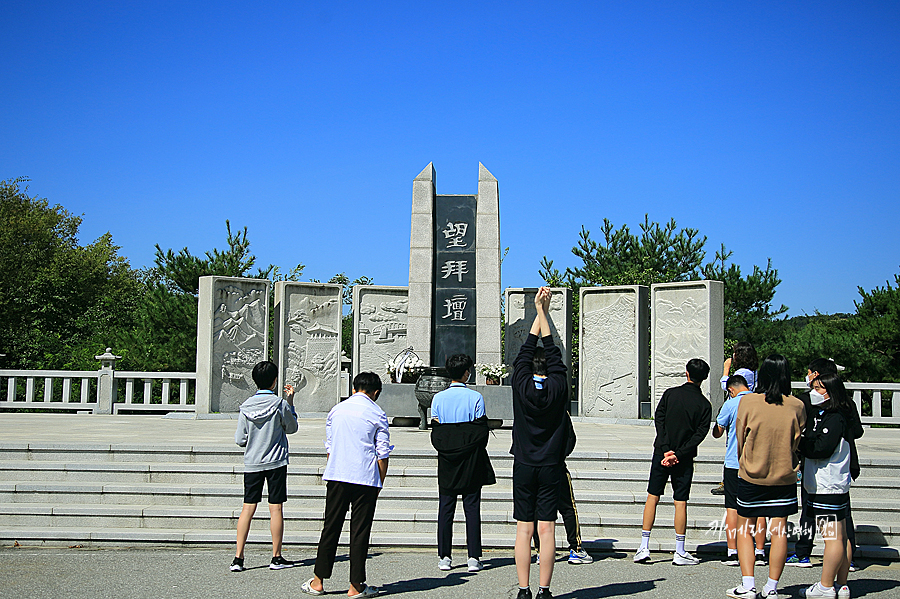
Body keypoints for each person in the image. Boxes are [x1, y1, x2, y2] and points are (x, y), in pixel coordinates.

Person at [301, 372, 392, 597]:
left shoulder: (337, 410)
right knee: (360, 532)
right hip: (365, 477)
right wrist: (379, 481)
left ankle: (318, 581)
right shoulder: (377, 413)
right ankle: (356, 585)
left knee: (330, 527)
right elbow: (382, 453)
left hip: (338, 474)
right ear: (376, 392)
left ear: (353, 389)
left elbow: (330, 446)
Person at [725, 354, 806, 599]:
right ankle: (771, 587)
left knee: (744, 528)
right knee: (779, 530)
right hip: (784, 476)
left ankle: (747, 584)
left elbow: (740, 439)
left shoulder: (748, 402)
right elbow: (798, 441)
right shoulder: (797, 405)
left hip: (751, 473)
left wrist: (745, 461)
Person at [510, 287, 569, 599]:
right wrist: (543, 312)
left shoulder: (520, 385)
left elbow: (524, 353)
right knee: (546, 529)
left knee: (524, 529)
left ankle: (523, 590)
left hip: (524, 463)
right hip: (550, 466)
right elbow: (554, 352)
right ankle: (545, 591)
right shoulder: (559, 386)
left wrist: (537, 311)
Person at [633, 358, 712, 566]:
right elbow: (699, 434)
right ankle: (679, 550)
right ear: (704, 378)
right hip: (683, 458)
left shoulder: (670, 394)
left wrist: (666, 448)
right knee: (680, 501)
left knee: (653, 496)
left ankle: (644, 545)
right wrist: (678, 453)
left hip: (661, 452)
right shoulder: (704, 404)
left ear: (686, 373)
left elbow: (659, 419)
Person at [787, 358, 863, 570]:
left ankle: (808, 557)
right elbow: (857, 430)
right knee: (841, 519)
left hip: (827, 472)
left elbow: (821, 446)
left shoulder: (827, 409)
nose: (811, 382)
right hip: (835, 470)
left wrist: (804, 443)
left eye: (812, 375)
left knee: (823, 522)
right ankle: (846, 564)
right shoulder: (847, 402)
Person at [430, 353, 495, 573]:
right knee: (472, 508)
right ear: (466, 372)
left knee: (446, 508)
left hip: (447, 459)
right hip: (471, 459)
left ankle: (444, 556)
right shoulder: (475, 398)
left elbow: (437, 430)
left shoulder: (438, 398)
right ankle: (474, 557)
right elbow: (480, 431)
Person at [231, 360, 299, 572]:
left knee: (247, 508)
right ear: (274, 380)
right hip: (276, 461)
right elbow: (292, 427)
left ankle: (238, 558)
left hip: (253, 462)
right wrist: (290, 402)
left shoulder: (246, 407)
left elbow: (240, 439)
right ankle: (276, 557)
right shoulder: (279, 404)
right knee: (276, 507)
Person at [798, 373, 855, 599]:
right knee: (841, 536)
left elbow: (821, 448)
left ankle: (825, 585)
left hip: (826, 485)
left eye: (819, 388)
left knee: (832, 537)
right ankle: (841, 584)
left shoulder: (834, 417)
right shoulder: (834, 414)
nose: (814, 392)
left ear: (831, 391)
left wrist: (800, 444)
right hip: (834, 485)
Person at [712, 374, 768, 567]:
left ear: (731, 390)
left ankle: (732, 551)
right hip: (758, 462)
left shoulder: (731, 404)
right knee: (759, 508)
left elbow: (718, 432)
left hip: (734, 462)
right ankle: (760, 551)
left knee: (732, 508)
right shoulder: (762, 401)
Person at [532, 412, 594, 565]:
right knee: (567, 507)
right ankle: (576, 548)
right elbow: (570, 438)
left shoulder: (528, 405)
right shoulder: (559, 408)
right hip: (555, 465)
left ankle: (541, 550)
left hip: (532, 465)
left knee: (536, 509)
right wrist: (559, 456)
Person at [712, 343, 759, 497]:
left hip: (738, 409)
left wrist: (726, 369)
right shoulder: (754, 372)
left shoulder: (742, 372)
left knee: (733, 443)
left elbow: (727, 385)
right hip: (749, 408)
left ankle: (728, 481)